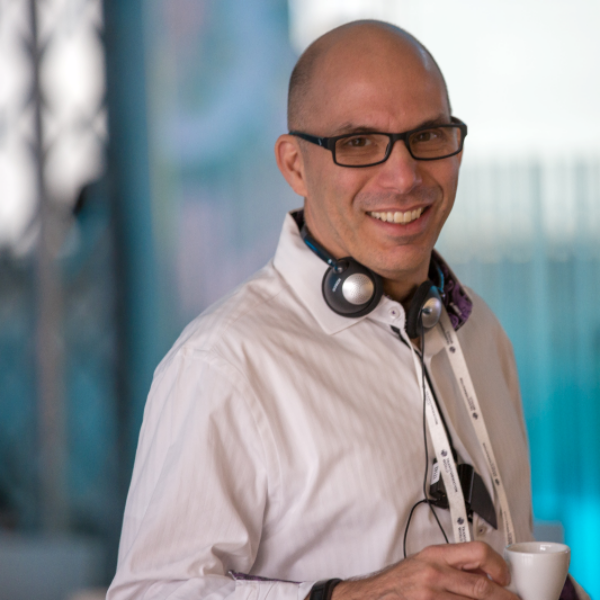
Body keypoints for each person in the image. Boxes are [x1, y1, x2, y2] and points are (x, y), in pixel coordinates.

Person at [107, 20, 588, 600]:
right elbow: (148, 593)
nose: (404, 177)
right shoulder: (223, 363)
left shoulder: (480, 331)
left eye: (428, 135)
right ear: (294, 166)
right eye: (358, 143)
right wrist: (347, 597)